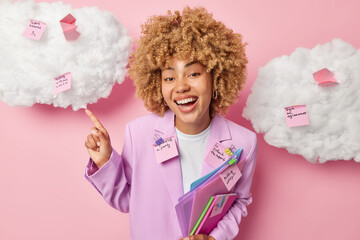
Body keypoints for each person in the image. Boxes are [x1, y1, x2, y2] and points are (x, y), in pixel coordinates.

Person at [84, 6, 257, 240]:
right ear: (158, 86)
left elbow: (239, 201)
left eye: (193, 74)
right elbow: (126, 201)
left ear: (216, 78)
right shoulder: (139, 133)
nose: (181, 86)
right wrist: (105, 162)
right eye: (169, 78)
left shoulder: (243, 141)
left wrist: (216, 237)